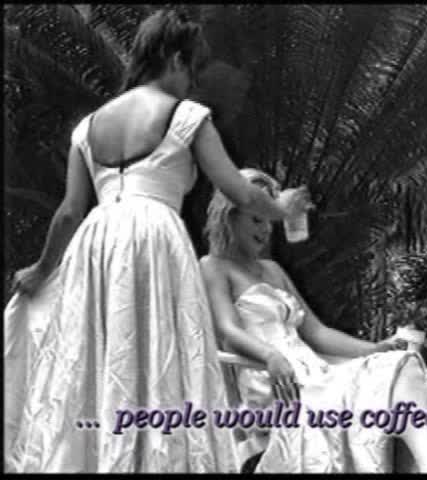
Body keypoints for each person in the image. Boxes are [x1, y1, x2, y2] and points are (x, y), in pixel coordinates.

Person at [4, 10, 311, 473]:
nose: (191, 84)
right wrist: (283, 208)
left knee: (98, 356)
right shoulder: (187, 117)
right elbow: (241, 192)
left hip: (97, 243)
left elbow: (69, 212)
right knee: (157, 355)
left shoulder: (88, 128)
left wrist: (42, 270)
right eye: (191, 70)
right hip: (154, 239)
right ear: (173, 59)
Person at [200, 168, 427, 473]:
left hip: (313, 371)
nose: (265, 230)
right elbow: (226, 329)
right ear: (229, 217)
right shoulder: (214, 267)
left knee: (401, 362)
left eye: (268, 221)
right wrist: (270, 356)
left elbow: (317, 332)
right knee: (389, 381)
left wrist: (374, 349)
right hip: (274, 383)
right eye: (256, 219)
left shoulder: (273, 270)